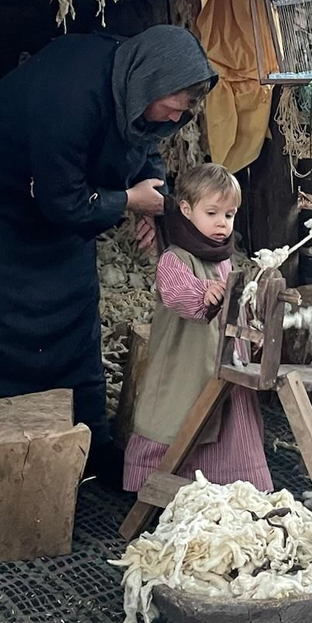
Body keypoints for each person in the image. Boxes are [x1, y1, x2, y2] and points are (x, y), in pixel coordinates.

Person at [0, 25, 216, 515]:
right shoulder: (70, 96)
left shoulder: (133, 89)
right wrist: (128, 199)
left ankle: (92, 445)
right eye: (177, 99)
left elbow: (146, 144)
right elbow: (60, 200)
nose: (181, 112)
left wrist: (151, 191)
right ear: (150, 79)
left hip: (65, 202)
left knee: (72, 316)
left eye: (187, 104)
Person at [123, 163, 271, 494]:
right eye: (212, 212)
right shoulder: (174, 258)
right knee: (182, 423)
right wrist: (205, 294)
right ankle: (165, 488)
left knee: (231, 426)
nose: (222, 223)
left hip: (225, 366)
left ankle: (233, 491)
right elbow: (178, 295)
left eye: (229, 215)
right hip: (187, 366)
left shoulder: (223, 260)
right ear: (187, 211)